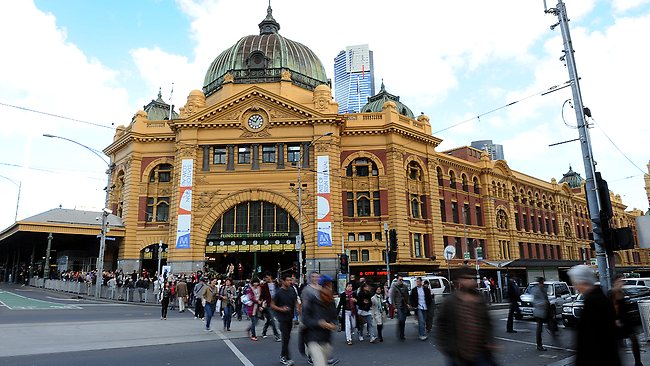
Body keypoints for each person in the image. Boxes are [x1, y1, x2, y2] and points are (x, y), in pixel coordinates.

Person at [436, 266, 497, 366]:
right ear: (459, 281)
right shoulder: (450, 302)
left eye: (472, 278)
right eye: (467, 278)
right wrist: (449, 348)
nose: (471, 281)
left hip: (480, 353)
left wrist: (490, 341)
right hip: (458, 355)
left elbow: (487, 322)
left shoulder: (479, 299)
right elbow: (441, 326)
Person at [568, 265, 621, 366]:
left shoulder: (593, 302)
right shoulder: (599, 298)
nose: (575, 287)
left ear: (581, 282)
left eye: (575, 283)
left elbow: (591, 340)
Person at [303, 274, 337, 366]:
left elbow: (334, 317)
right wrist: (319, 323)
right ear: (320, 288)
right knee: (320, 364)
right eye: (326, 286)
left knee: (324, 363)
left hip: (326, 340)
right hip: (313, 339)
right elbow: (305, 319)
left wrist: (333, 324)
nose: (329, 289)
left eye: (330, 286)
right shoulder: (312, 301)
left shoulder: (331, 302)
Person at [611, 275, 643, 366]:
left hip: (626, 320)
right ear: (615, 282)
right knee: (617, 344)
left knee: (634, 340)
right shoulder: (612, 293)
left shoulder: (622, 292)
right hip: (618, 321)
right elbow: (613, 307)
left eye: (622, 281)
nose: (622, 283)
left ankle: (638, 362)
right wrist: (616, 319)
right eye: (620, 281)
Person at [272, 274, 300, 366]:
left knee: (288, 337)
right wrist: (281, 309)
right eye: (288, 280)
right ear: (283, 281)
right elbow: (272, 305)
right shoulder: (279, 292)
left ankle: (285, 355)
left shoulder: (292, 291)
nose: (290, 282)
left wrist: (298, 308)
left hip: (290, 317)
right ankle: (285, 356)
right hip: (282, 318)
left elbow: (295, 301)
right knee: (285, 337)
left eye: (290, 280)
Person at [531, 277, 557, 351]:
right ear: (539, 283)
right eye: (542, 283)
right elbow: (534, 302)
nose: (543, 284)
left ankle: (555, 340)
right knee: (539, 329)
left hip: (546, 311)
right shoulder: (536, 290)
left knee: (552, 325)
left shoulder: (543, 290)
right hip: (539, 312)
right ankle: (539, 345)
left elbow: (546, 299)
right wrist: (542, 303)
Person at [261, 272, 281, 341]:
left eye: (267, 277)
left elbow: (279, 292)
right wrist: (262, 304)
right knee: (272, 320)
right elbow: (262, 296)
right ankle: (277, 335)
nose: (266, 279)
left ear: (270, 276)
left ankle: (264, 332)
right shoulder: (264, 286)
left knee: (270, 319)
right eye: (265, 278)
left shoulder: (276, 284)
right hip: (268, 304)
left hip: (276, 304)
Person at [390, 275, 410, 340]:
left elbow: (407, 296)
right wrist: (394, 307)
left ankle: (402, 334)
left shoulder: (405, 287)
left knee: (403, 320)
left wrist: (408, 304)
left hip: (404, 305)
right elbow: (392, 298)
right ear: (397, 280)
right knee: (401, 319)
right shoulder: (394, 287)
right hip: (398, 306)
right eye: (400, 280)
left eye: (402, 280)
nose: (401, 281)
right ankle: (400, 331)